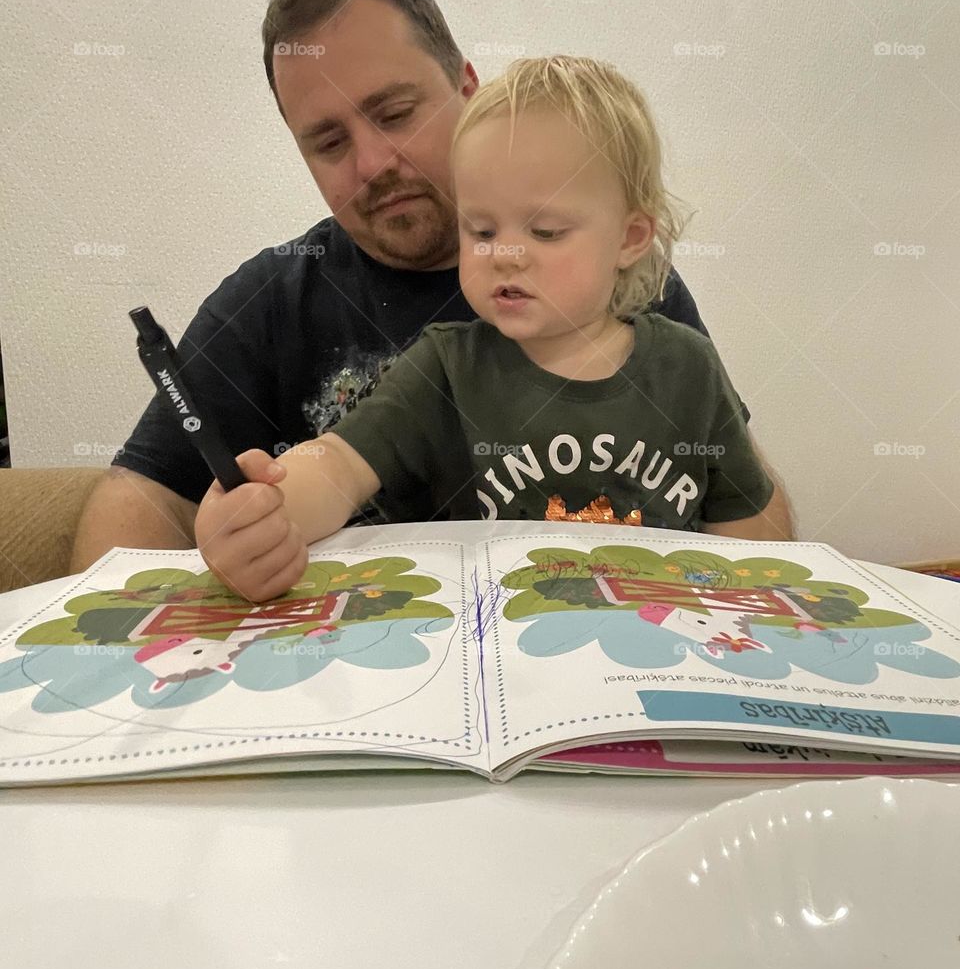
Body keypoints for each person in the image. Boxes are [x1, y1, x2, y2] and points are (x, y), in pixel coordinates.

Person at [71, 0, 793, 571]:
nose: (374, 163)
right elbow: (144, 496)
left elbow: (747, 502)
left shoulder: (628, 292)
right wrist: (247, 527)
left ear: (467, 88)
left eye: (395, 113)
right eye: (328, 142)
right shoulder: (275, 299)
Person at [195, 55, 786, 603]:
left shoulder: (687, 367)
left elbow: (751, 535)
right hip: (493, 660)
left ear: (630, 238)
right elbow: (338, 468)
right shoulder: (446, 367)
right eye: (479, 231)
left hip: (654, 648)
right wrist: (266, 510)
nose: (504, 253)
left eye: (546, 231)